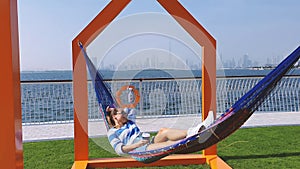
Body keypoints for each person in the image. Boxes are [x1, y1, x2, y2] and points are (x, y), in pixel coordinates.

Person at [105, 106, 214, 155]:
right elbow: (119, 150)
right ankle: (197, 139)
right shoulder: (112, 132)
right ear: (114, 117)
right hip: (138, 151)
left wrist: (112, 108)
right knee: (168, 144)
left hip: (146, 143)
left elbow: (130, 106)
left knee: (163, 131)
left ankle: (198, 130)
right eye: (121, 113)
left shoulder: (129, 122)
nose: (125, 114)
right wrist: (138, 145)